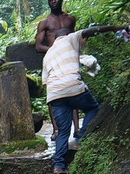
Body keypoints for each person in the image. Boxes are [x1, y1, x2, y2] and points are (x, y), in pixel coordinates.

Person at [42, 24, 129, 174]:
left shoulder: (48, 54)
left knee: (62, 131)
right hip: (73, 87)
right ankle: (82, 136)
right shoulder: (71, 38)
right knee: (93, 108)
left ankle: (59, 166)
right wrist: (114, 27)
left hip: (54, 93)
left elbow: (46, 81)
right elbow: (93, 30)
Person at [36, 0, 78, 140]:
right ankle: (56, 130)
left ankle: (77, 129)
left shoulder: (70, 19)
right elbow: (38, 46)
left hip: (68, 60)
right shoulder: (44, 22)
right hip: (52, 61)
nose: (53, 1)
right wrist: (55, 50)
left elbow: (74, 38)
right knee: (52, 95)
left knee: (73, 89)